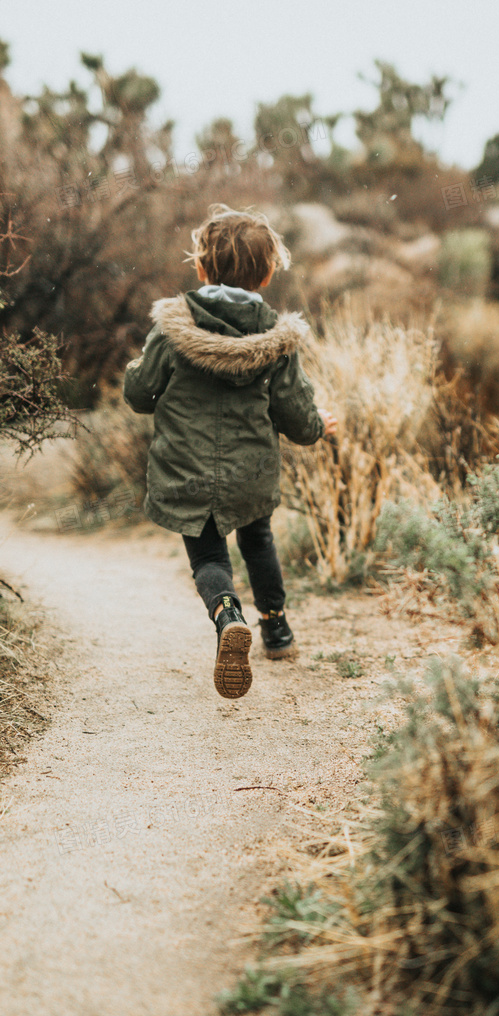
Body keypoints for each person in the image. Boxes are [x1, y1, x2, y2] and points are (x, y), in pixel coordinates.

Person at [123, 203, 337, 700]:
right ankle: (277, 630)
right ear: (265, 275)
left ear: (200, 268)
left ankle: (227, 615)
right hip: (251, 471)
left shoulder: (172, 329)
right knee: (258, 540)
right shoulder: (276, 339)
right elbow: (295, 415)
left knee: (208, 555)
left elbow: (138, 395)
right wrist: (317, 426)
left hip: (187, 470)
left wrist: (145, 368)